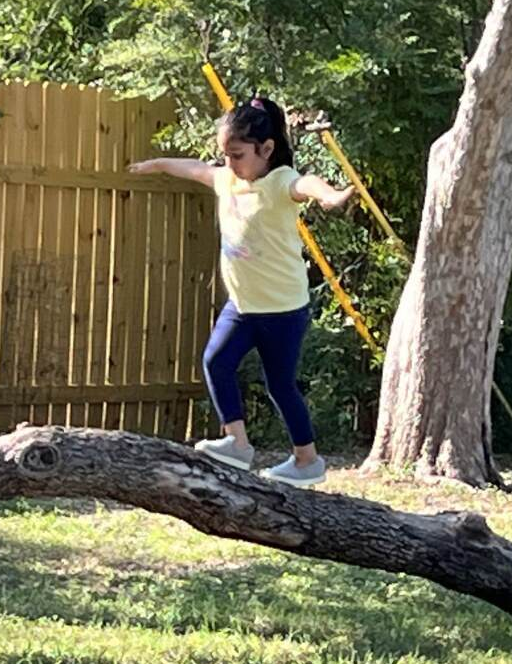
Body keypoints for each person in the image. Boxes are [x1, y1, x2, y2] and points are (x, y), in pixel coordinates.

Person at [127, 96, 355, 486]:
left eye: (237, 155)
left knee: (280, 385)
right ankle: (237, 444)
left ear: (265, 150)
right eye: (225, 155)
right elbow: (196, 169)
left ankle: (307, 461)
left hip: (282, 309)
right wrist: (158, 164)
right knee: (216, 362)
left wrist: (330, 195)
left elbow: (307, 183)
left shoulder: (278, 182)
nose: (229, 164)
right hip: (243, 306)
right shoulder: (228, 180)